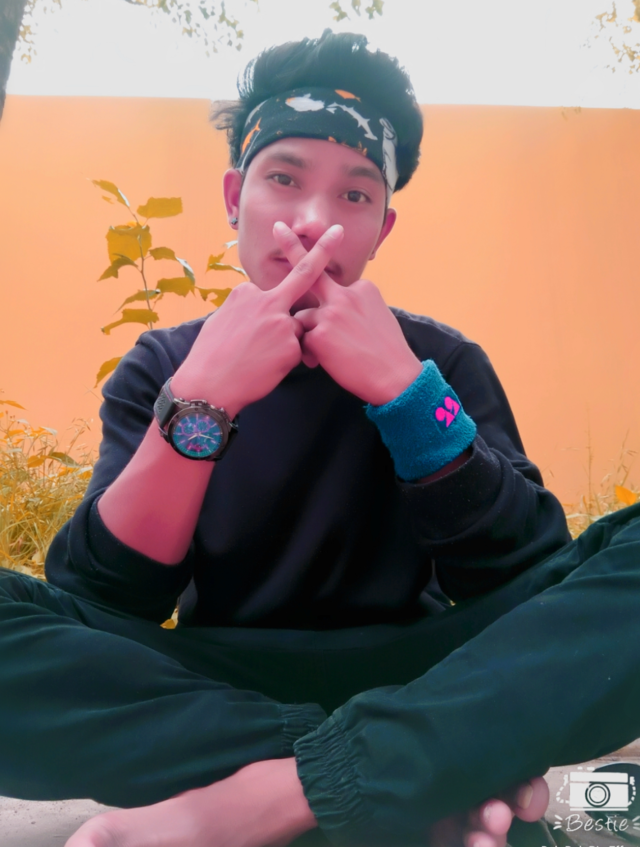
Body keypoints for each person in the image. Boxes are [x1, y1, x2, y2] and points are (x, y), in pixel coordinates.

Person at [1, 28, 640, 847]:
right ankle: (408, 776)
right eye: (283, 178)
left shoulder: (441, 360)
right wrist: (203, 399)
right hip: (214, 691)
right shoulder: (165, 362)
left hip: (430, 673)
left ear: (383, 226)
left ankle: (285, 792)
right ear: (235, 196)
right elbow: (108, 599)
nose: (314, 224)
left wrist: (408, 396)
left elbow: (520, 579)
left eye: (355, 196)